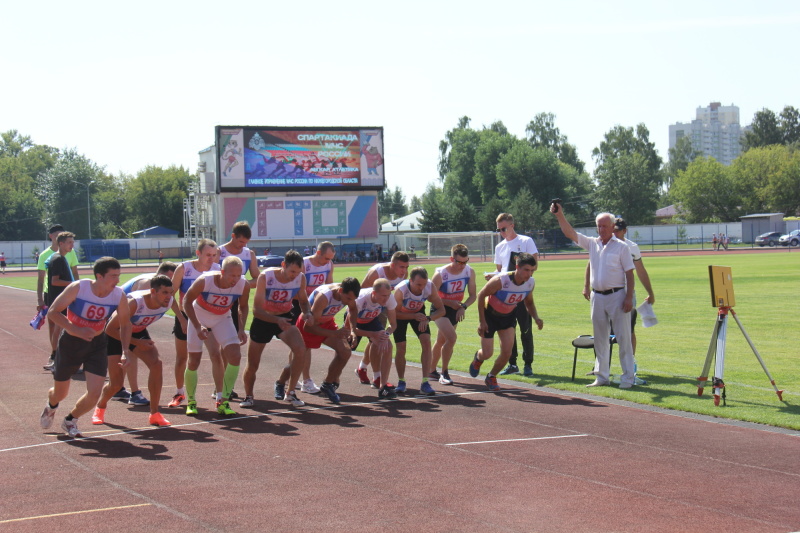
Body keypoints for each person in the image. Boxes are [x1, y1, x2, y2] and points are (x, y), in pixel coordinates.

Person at [39, 257, 131, 438]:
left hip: (97, 345)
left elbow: (126, 324)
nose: (118, 280)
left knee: (95, 392)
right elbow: (53, 312)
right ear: (99, 276)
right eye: (113, 276)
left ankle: (70, 420)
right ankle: (52, 405)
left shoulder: (118, 295)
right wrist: (75, 329)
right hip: (71, 344)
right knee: (60, 393)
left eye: (118, 275)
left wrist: (125, 351)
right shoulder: (79, 288)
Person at [551, 202, 635, 388]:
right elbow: (570, 234)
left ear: (613, 227)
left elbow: (630, 273)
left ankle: (628, 377)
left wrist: (629, 297)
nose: (601, 229)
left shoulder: (621, 247)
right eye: (598, 225)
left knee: (623, 338)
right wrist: (560, 215)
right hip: (597, 297)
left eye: (604, 226)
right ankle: (602, 376)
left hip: (617, 295)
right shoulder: (592, 244)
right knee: (600, 338)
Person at [92, 274, 186, 427]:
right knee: (116, 384)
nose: (169, 297)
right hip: (116, 333)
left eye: (171, 292)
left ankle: (154, 413)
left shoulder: (167, 301)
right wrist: (134, 344)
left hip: (137, 332)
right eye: (164, 293)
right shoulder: (135, 303)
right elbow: (109, 329)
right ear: (153, 292)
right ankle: (100, 406)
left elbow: (174, 303)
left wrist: (182, 320)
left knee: (156, 364)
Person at [262, 278, 360, 406]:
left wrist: (353, 330)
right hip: (308, 326)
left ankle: (328, 384)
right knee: (298, 362)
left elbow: (353, 309)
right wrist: (335, 334)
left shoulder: (348, 296)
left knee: (345, 351)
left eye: (352, 299)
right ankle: (280, 383)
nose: (349, 302)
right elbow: (309, 327)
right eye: (348, 298)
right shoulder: (324, 297)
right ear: (341, 291)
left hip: (326, 322)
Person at [582, 218, 654, 384]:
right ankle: (602, 371)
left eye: (618, 230)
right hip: (601, 294)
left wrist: (649, 292)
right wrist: (586, 285)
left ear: (624, 230)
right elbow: (590, 264)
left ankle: (630, 369)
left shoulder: (630, 247)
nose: (615, 233)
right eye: (614, 230)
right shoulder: (601, 244)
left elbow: (639, 271)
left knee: (627, 331)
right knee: (602, 334)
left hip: (623, 293)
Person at [242, 250, 311, 408]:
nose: (295, 275)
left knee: (300, 350)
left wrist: (307, 313)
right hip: (263, 319)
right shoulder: (266, 277)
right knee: (253, 364)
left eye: (298, 272)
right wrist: (276, 320)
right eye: (292, 271)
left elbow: (303, 300)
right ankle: (249, 396)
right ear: (283, 265)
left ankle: (291, 392)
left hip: (285, 318)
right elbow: (256, 310)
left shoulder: (300, 278)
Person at [183, 256, 250, 416]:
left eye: (238, 275)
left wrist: (241, 328)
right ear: (222, 272)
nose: (235, 279)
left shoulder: (243, 285)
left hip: (222, 317)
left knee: (235, 356)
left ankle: (223, 401)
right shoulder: (205, 280)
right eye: (231, 275)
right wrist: (198, 326)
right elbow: (186, 301)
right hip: (199, 315)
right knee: (194, 361)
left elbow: (243, 306)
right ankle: (191, 401)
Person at [470, 253, 543, 391]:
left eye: (532, 270)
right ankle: (478, 359)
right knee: (487, 353)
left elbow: (529, 302)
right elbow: (481, 296)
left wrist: (536, 317)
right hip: (490, 316)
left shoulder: (530, 283)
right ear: (517, 267)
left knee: (507, 352)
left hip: (508, 317)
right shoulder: (501, 280)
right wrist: (482, 321)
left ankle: (491, 376)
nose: (529, 274)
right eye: (526, 270)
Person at [166, 239, 221, 408]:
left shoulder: (217, 269)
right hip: (186, 317)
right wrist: (182, 319)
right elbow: (170, 295)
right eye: (207, 255)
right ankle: (179, 392)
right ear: (198, 253)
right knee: (183, 358)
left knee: (215, 355)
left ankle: (220, 396)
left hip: (208, 317)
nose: (211, 259)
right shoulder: (184, 268)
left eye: (214, 255)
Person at [115, 261, 179, 404]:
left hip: (136, 321)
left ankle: (119, 389)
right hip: (121, 318)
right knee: (129, 353)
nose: (169, 282)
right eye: (168, 277)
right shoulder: (145, 286)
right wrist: (134, 340)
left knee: (135, 356)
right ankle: (133, 393)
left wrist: (181, 318)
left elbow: (171, 301)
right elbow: (126, 315)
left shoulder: (164, 291)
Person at [486, 213, 539, 378]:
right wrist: (492, 276)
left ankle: (528, 364)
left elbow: (534, 265)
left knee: (526, 329)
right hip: (504, 295)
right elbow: (500, 270)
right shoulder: (499, 247)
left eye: (503, 228)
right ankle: (512, 363)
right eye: (498, 229)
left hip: (521, 292)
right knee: (509, 330)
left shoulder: (525, 241)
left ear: (512, 225)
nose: (501, 232)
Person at [215, 221, 262, 399]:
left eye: (246, 243)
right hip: (215, 300)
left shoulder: (249, 254)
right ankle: (218, 386)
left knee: (228, 345)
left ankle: (224, 385)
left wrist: (241, 284)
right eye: (241, 242)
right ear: (233, 236)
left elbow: (258, 278)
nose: (243, 246)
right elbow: (211, 274)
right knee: (213, 347)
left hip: (234, 303)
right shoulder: (219, 252)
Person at [283, 241, 336, 394]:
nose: (328, 261)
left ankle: (294, 377)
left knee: (302, 344)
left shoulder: (329, 265)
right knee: (301, 344)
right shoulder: (304, 264)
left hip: (314, 306)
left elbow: (329, 284)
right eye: (326, 258)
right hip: (298, 305)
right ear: (318, 253)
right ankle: (305, 380)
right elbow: (294, 284)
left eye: (330, 258)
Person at [354, 251, 409, 384]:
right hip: (366, 306)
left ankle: (369, 371)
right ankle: (363, 370)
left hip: (383, 304)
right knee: (353, 344)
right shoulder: (376, 272)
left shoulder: (404, 275)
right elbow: (361, 293)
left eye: (406, 267)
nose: (404, 271)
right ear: (392, 265)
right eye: (401, 267)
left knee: (378, 339)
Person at [392, 267, 447, 395]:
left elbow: (441, 310)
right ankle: (401, 381)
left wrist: (428, 318)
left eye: (424, 284)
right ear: (410, 280)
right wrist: (413, 316)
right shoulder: (401, 290)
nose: (421, 288)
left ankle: (425, 382)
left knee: (426, 341)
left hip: (419, 315)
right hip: (401, 316)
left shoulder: (429, 287)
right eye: (418, 284)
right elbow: (394, 314)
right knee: (401, 347)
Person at [430, 244, 477, 385]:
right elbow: (430, 296)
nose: (462, 265)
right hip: (440, 309)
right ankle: (444, 373)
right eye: (459, 262)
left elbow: (473, 295)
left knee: (441, 341)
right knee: (451, 338)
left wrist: (463, 306)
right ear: (452, 259)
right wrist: (450, 302)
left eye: (465, 262)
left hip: (455, 309)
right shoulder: (441, 273)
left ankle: (431, 370)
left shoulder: (469, 272)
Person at [37, 224, 80, 371]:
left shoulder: (59, 258)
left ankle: (56, 358)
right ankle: (59, 360)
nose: (72, 245)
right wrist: (75, 284)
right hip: (60, 299)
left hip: (60, 299)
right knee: (62, 330)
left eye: (73, 242)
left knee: (59, 330)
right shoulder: (58, 259)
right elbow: (55, 281)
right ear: (60, 243)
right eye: (69, 242)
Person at [351, 279, 398, 399]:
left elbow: (393, 324)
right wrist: (373, 334)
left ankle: (382, 385)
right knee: (344, 351)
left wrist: (385, 334)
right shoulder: (360, 300)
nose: (386, 299)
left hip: (371, 320)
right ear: (374, 293)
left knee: (387, 345)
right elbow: (352, 329)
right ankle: (331, 382)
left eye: (388, 295)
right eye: (383, 296)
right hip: (354, 323)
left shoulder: (390, 298)